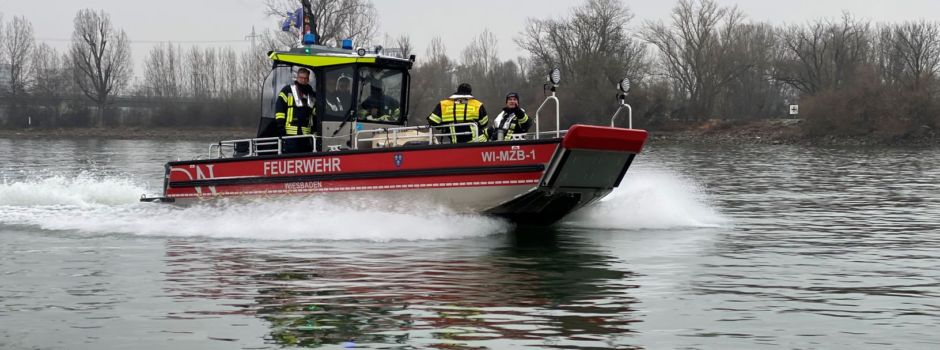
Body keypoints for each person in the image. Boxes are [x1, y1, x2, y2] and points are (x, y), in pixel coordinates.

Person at [275, 68, 316, 153]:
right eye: (301, 78)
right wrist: (280, 126)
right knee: (292, 158)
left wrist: (315, 129)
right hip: (290, 133)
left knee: (306, 158)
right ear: (297, 78)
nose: (303, 80)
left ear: (308, 79)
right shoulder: (287, 90)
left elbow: (314, 113)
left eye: (305, 78)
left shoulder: (311, 94)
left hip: (306, 134)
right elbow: (279, 109)